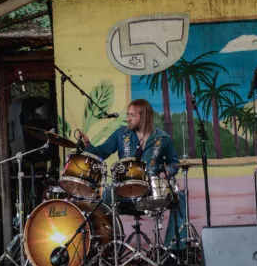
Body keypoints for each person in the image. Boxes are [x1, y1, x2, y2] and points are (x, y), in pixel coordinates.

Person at [79, 99, 186, 247]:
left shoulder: (163, 138)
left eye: (132, 115)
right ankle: (103, 247)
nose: (128, 118)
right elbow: (101, 153)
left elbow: (174, 163)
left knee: (179, 197)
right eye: (128, 115)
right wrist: (88, 145)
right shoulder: (121, 134)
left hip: (150, 193)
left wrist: (166, 172)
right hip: (123, 193)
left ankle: (173, 248)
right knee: (104, 195)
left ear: (144, 116)